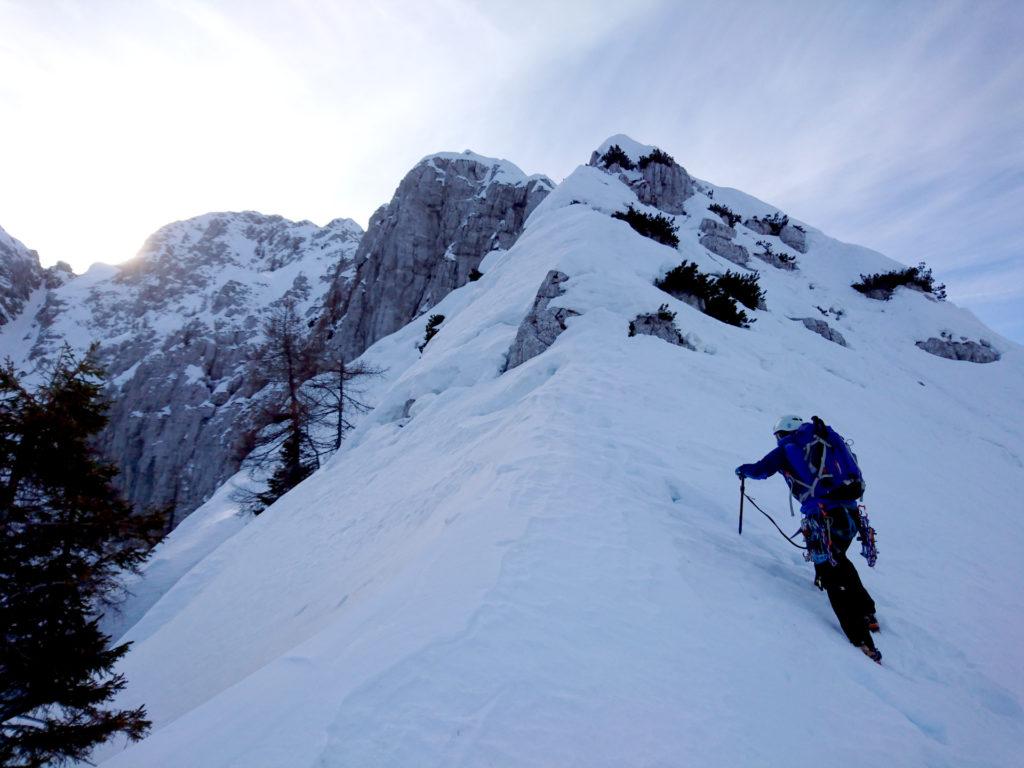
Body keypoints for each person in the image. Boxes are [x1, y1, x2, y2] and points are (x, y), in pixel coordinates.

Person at [736, 415, 882, 663]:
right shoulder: (827, 440)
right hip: (851, 513)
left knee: (832, 573)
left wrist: (742, 471)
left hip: (823, 516)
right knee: (839, 559)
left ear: (784, 433)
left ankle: (861, 639)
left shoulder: (789, 447)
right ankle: (867, 613)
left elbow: (761, 470)